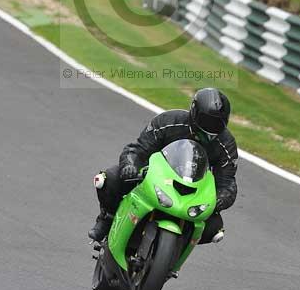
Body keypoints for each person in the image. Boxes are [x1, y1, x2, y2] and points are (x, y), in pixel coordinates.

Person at [89, 87, 238, 243]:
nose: (211, 128)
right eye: (207, 121)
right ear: (194, 113)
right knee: (109, 179)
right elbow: (138, 149)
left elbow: (227, 182)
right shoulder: (168, 121)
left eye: (218, 124)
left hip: (193, 192)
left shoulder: (226, 145)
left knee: (214, 229)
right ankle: (107, 218)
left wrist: (221, 198)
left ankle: (175, 252)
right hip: (154, 178)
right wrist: (130, 166)